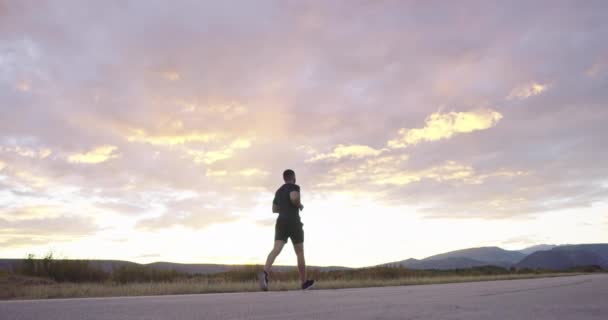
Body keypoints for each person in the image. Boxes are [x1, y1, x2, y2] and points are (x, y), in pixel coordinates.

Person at [259, 169, 315, 291]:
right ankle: (304, 283)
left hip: (281, 222)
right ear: (293, 177)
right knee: (299, 252)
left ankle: (265, 273)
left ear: (284, 178)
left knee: (276, 249)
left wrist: (284, 208)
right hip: (293, 222)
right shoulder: (294, 187)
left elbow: (274, 209)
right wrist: (299, 205)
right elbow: (294, 198)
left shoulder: (278, 191)